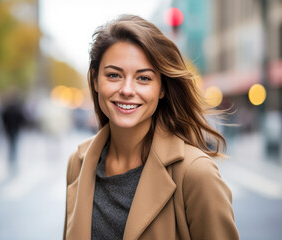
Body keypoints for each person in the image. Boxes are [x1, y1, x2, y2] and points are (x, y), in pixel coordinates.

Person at [63, 15, 239, 240]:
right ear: (96, 80)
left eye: (143, 78)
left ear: (162, 89)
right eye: (114, 75)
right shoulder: (78, 164)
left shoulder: (196, 174)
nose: (127, 89)